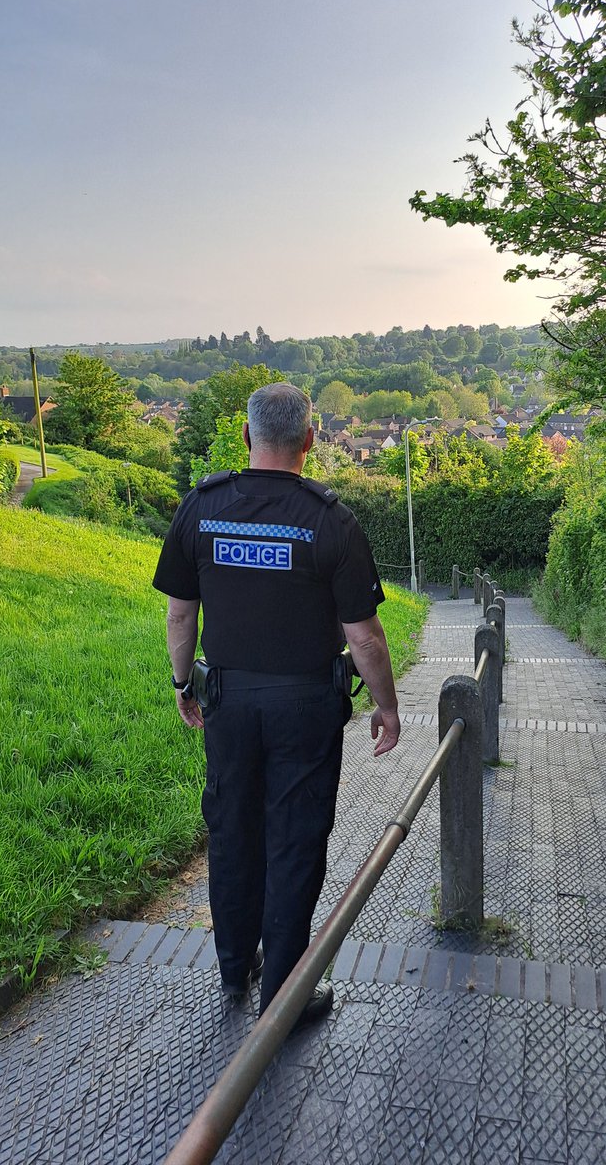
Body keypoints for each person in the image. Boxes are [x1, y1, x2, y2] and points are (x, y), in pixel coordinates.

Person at [152, 382, 400, 1026]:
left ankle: (236, 969)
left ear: (245, 436)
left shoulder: (201, 510)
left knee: (232, 831)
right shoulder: (330, 520)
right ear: (311, 441)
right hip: (306, 707)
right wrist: (387, 706)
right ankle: (285, 995)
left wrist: (185, 685)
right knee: (295, 840)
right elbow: (364, 635)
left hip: (228, 703)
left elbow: (182, 616)